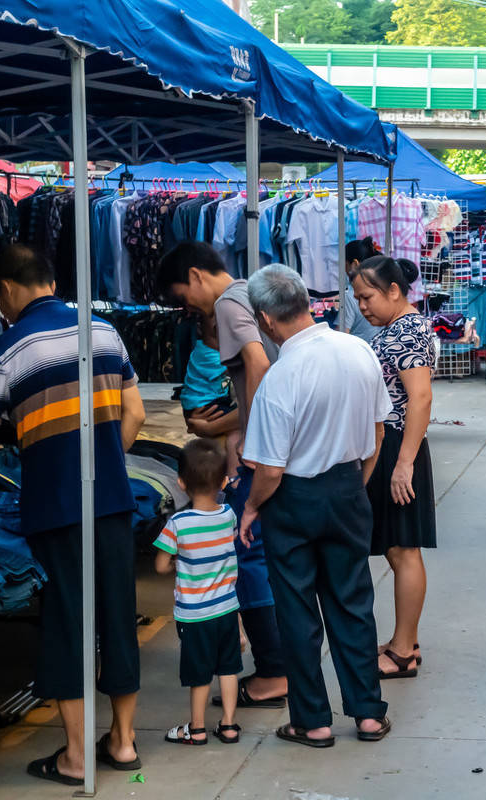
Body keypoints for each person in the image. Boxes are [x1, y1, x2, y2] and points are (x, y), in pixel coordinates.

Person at [0, 243, 146, 784]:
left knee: (68, 622)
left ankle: (74, 757)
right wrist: (103, 462)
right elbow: (133, 413)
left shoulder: (7, 350)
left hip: (55, 508)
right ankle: (125, 742)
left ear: (7, 290)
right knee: (116, 615)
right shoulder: (105, 332)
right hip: (112, 500)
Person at [238, 264, 393, 748]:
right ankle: (368, 713)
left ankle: (313, 720)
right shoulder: (358, 350)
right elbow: (378, 430)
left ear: (265, 319)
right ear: (306, 300)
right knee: (353, 603)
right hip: (348, 489)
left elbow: (269, 470)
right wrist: (355, 482)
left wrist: (250, 510)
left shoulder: (281, 376)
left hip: (294, 500)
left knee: (298, 612)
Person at [156, 241, 288, 709]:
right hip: (273, 448)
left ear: (195, 276)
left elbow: (259, 366)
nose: (185, 306)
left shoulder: (231, 301)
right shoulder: (248, 295)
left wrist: (252, 437)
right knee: (263, 558)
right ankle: (277, 666)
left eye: (180, 295)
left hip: (263, 452)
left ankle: (274, 672)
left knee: (248, 558)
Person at [351, 255, 436, 680]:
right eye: (358, 299)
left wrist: (403, 463)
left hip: (399, 447)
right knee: (396, 546)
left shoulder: (407, 329)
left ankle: (403, 651)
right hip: (393, 447)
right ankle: (406, 640)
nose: (362, 306)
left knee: (403, 549)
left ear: (393, 291)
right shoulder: (399, 328)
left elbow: (419, 398)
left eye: (367, 297)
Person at [153, 438, 243, 746]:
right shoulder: (229, 515)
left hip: (194, 615)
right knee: (229, 668)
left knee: (200, 674)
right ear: (222, 481)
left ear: (180, 483)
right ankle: (229, 725)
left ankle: (198, 728)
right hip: (228, 608)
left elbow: (161, 565)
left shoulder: (178, 523)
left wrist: (181, 561)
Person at [181, 315, 241, 475]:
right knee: (236, 431)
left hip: (205, 401)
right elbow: (237, 370)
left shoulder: (207, 350)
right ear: (202, 331)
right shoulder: (207, 354)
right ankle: (234, 477)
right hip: (204, 403)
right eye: (217, 336)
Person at [342, 237, 383, 343]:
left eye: (345, 265)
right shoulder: (382, 291)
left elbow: (341, 336)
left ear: (354, 264)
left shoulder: (351, 297)